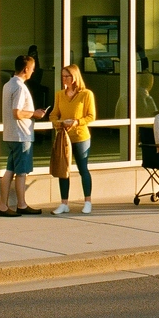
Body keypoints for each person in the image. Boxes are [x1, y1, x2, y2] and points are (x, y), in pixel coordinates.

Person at [0, 55, 46, 216]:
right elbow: (17, 113)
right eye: (32, 69)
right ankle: (21, 204)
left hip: (11, 134)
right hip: (21, 135)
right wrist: (35, 114)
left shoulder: (8, 84)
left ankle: (3, 205)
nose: (33, 72)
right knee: (21, 173)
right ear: (26, 69)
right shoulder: (19, 87)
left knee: (9, 170)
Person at [50, 64, 97, 215]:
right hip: (64, 137)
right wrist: (58, 123)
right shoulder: (59, 94)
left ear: (74, 77)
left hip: (81, 136)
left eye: (67, 76)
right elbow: (53, 114)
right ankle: (64, 203)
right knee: (64, 170)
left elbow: (91, 116)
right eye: (62, 76)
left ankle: (88, 201)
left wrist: (77, 122)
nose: (64, 79)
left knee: (83, 168)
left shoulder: (86, 94)